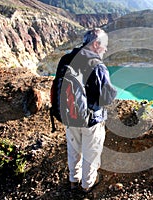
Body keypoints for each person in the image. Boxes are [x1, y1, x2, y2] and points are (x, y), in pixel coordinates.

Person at [58, 28, 116, 192]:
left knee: (73, 149)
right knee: (91, 153)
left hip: (69, 115)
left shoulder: (66, 58)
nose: (106, 49)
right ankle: (87, 185)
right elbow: (106, 97)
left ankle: (73, 180)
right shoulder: (97, 65)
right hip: (91, 119)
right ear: (96, 44)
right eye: (104, 45)